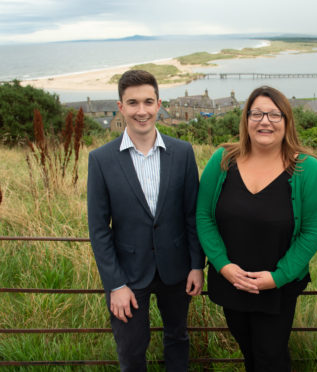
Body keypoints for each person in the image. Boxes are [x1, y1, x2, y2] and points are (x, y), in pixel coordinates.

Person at [196, 86, 317, 372]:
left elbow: (313, 231)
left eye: (274, 114)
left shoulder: (307, 169)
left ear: (286, 121)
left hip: (278, 287)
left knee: (271, 356)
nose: (264, 121)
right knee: (250, 353)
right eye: (256, 113)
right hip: (232, 281)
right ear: (246, 120)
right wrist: (222, 265)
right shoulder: (222, 160)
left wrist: (278, 277)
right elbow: (204, 217)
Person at [87, 70, 205, 371]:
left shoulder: (182, 153)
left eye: (148, 102)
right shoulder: (101, 160)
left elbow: (192, 214)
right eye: (133, 103)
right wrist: (115, 284)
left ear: (159, 104)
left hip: (177, 269)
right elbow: (99, 229)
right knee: (130, 349)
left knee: (177, 338)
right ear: (121, 107)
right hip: (127, 273)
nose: (142, 111)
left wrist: (196, 265)